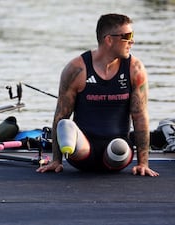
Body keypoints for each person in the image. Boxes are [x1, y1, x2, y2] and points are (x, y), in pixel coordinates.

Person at [36, 13, 159, 176]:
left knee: (119, 147)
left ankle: (115, 151)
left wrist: (143, 163)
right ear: (109, 40)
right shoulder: (76, 69)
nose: (132, 41)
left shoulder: (135, 69)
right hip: (83, 150)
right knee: (64, 124)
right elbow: (60, 114)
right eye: (127, 36)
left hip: (116, 151)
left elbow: (140, 116)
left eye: (132, 35)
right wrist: (56, 160)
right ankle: (70, 148)